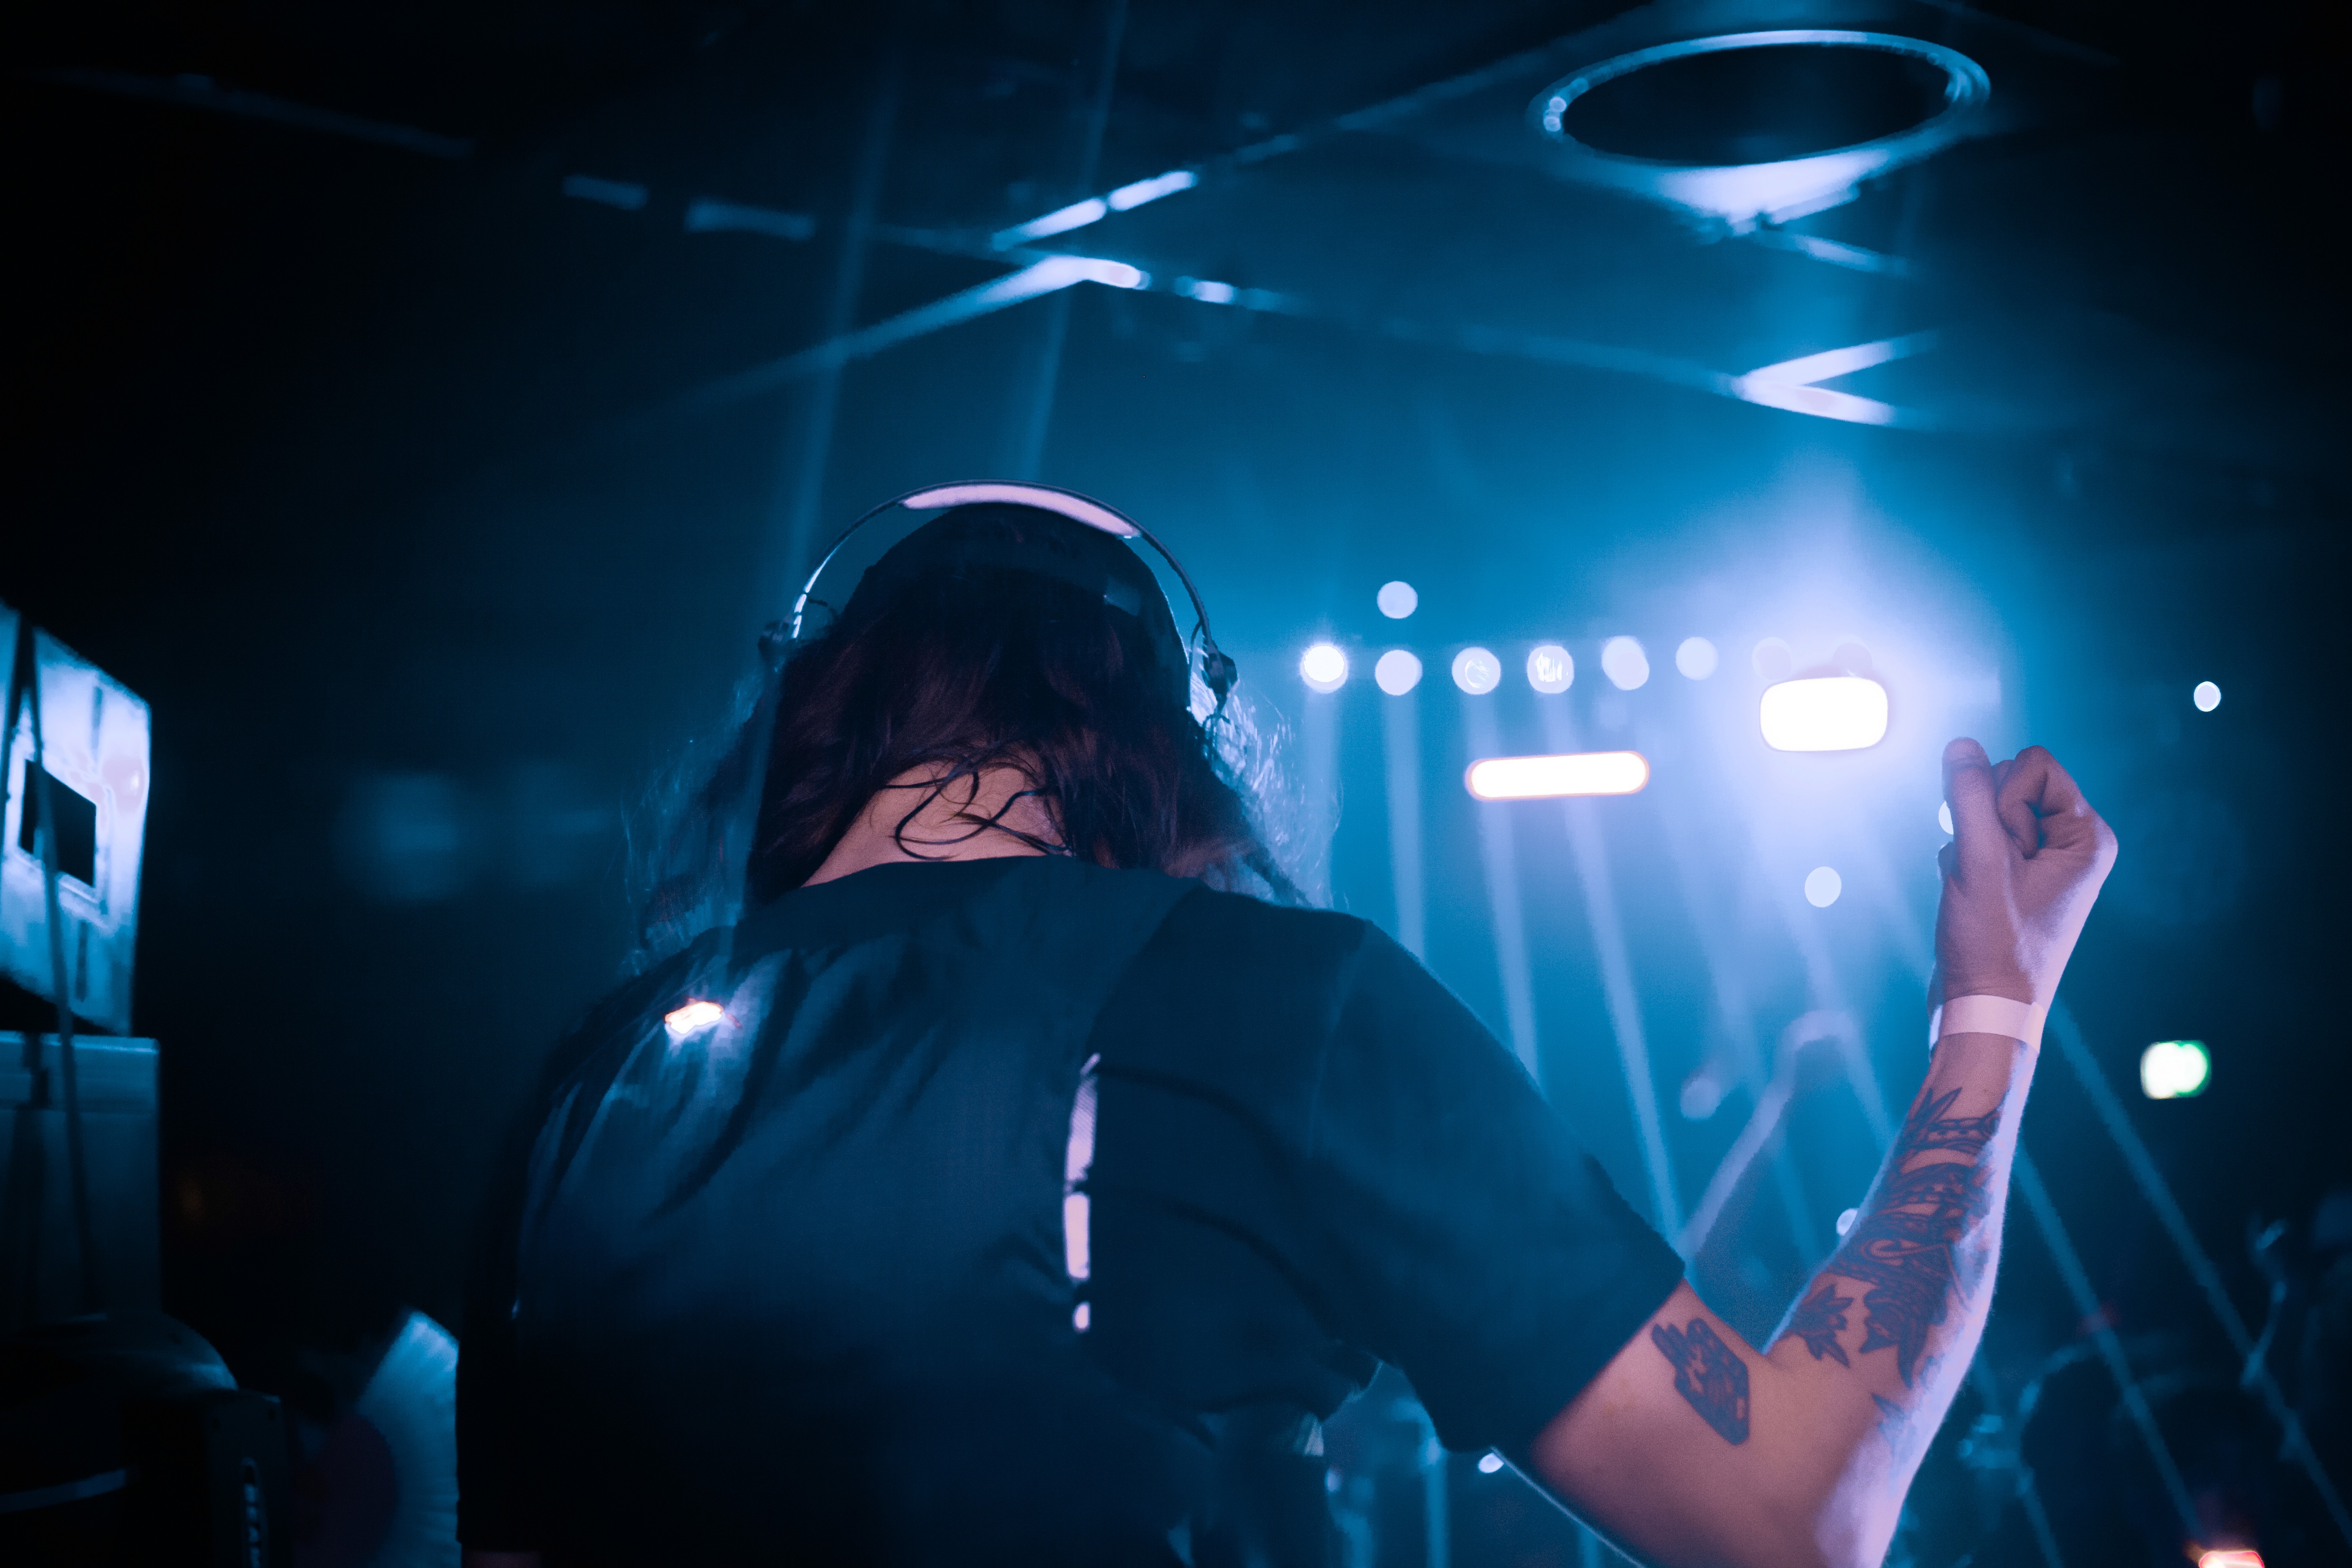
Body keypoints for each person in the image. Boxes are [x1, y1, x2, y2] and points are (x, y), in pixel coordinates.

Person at [455, 491, 2115, 1568]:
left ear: (817, 708)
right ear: (1164, 742)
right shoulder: (1274, 1007)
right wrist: (1998, 1005)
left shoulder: (586, 1094)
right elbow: (1790, 1513)